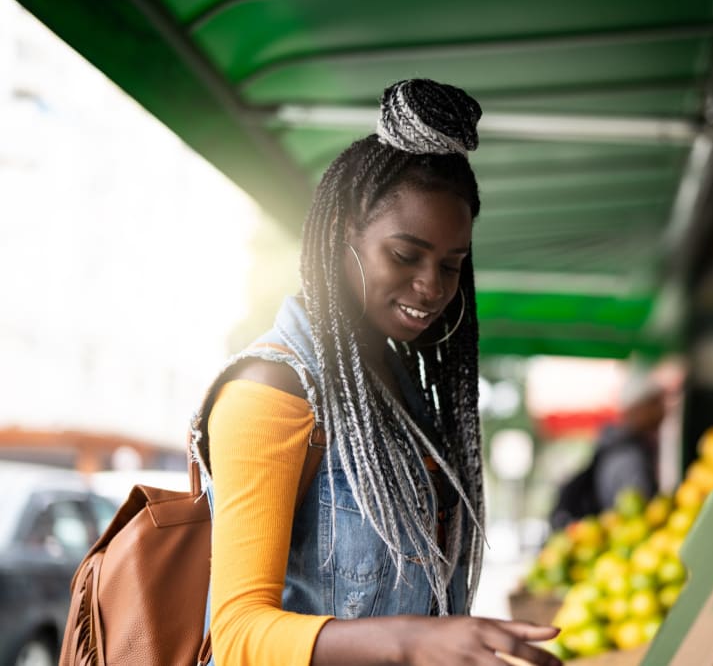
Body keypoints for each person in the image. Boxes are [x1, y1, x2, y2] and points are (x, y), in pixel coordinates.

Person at [190, 79, 561, 666]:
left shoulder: (400, 382)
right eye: (405, 255)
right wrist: (415, 643)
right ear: (343, 234)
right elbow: (236, 636)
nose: (432, 287)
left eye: (452, 264)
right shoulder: (271, 390)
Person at [549, 378, 665, 531]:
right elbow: (642, 517)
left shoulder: (613, 447)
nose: (663, 409)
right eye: (656, 403)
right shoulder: (630, 456)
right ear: (639, 407)